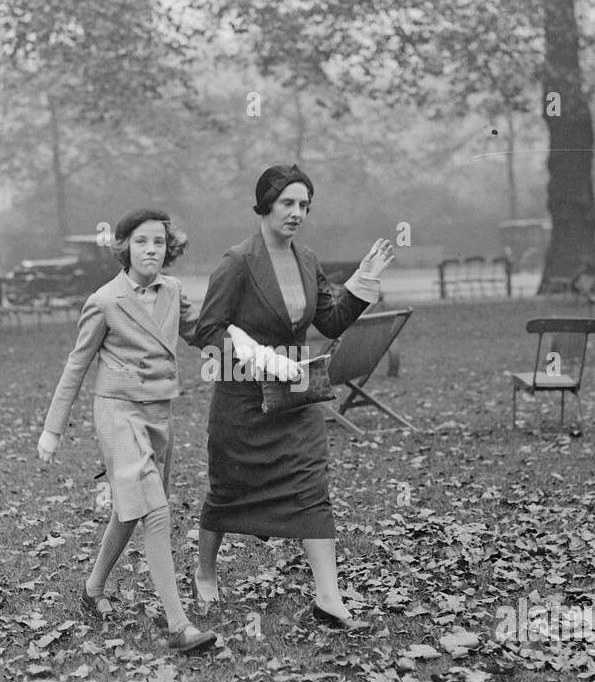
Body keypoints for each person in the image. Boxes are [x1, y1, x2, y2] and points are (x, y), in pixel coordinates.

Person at [192, 163, 395, 627]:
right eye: (288, 203)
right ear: (265, 204)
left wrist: (363, 280)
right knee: (228, 492)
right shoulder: (237, 262)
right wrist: (258, 358)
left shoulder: (306, 260)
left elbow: (331, 322)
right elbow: (208, 330)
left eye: (304, 205)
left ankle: (328, 596)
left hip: (297, 397)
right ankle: (205, 571)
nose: (297, 212)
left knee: (311, 485)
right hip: (243, 400)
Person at [37, 208, 216, 655]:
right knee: (154, 509)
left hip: (159, 414)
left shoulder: (173, 290)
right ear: (125, 248)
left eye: (159, 242)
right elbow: (76, 365)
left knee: (131, 506)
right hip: (117, 413)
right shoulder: (105, 300)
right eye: (141, 242)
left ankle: (92, 588)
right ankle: (178, 626)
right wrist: (52, 429)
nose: (151, 249)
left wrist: (251, 349)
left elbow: (202, 333)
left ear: (168, 248)